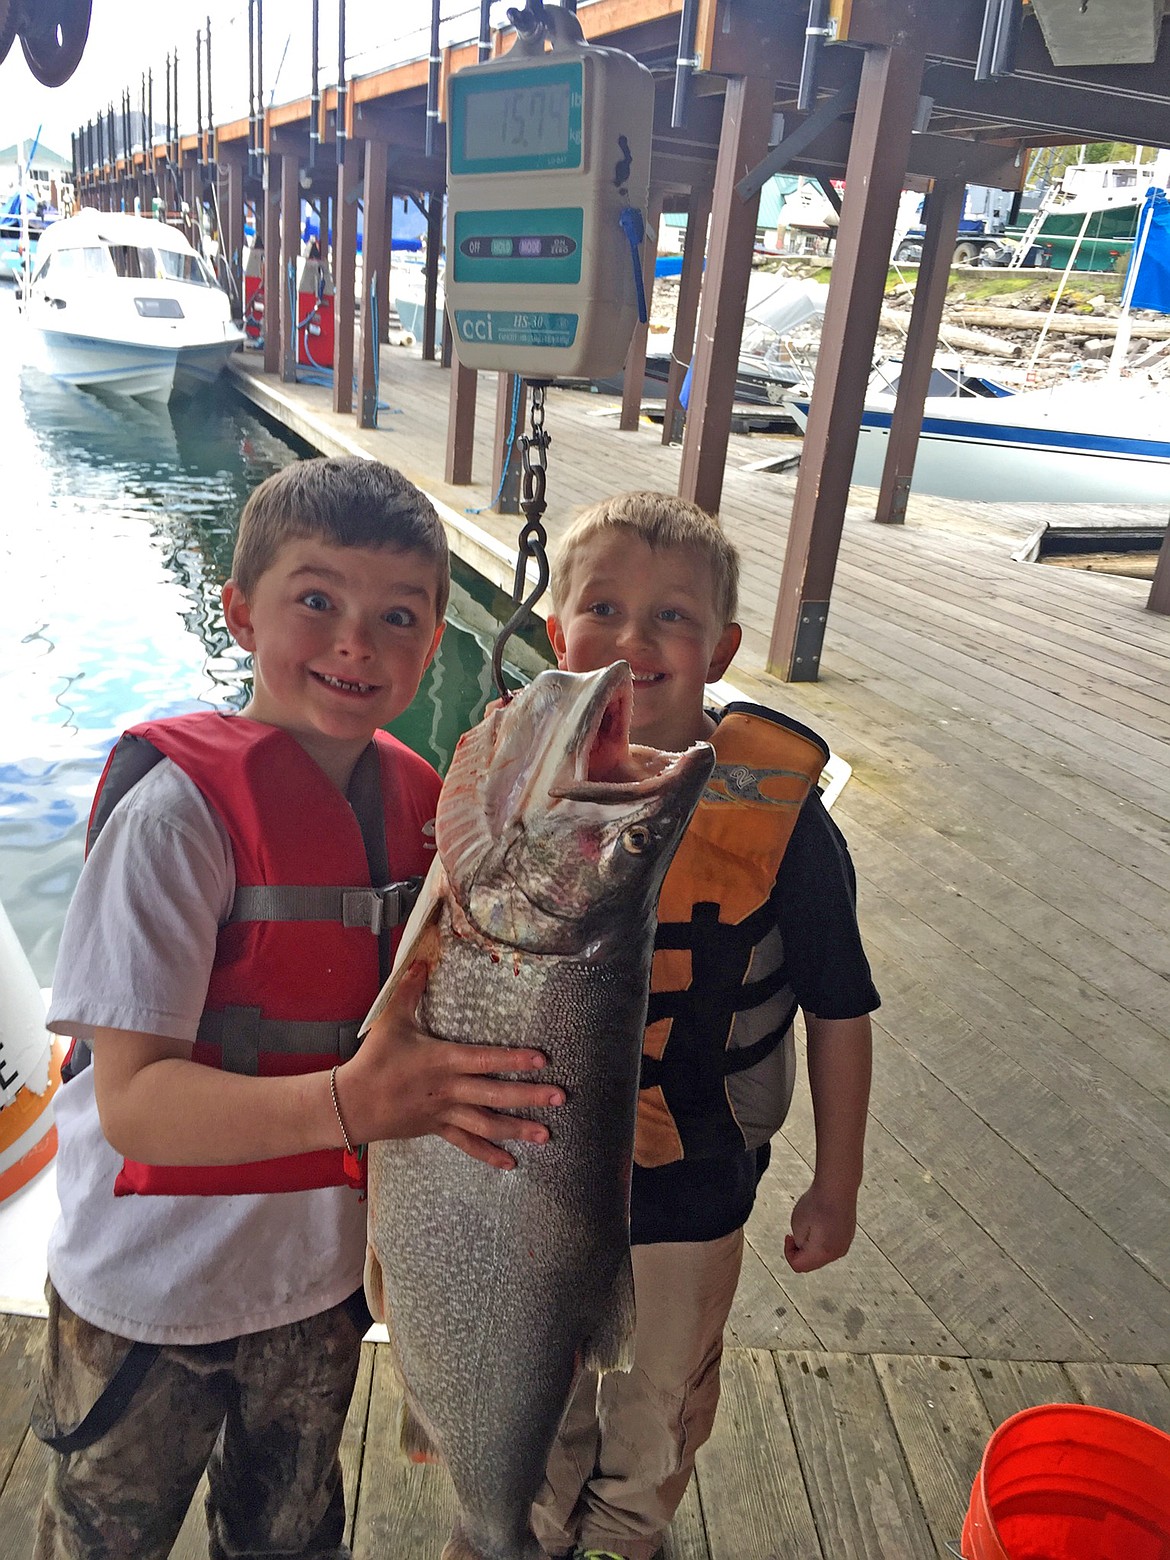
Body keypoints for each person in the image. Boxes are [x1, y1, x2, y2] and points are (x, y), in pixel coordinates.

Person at [32, 456, 565, 1560]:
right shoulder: (175, 820)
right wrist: (357, 1101)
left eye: (397, 616)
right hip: (148, 1290)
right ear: (240, 611)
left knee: (287, 1533)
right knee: (102, 1538)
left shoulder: (430, 812)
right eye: (316, 600)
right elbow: (132, 1107)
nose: (354, 643)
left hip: (316, 1287)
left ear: (434, 644)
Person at [531, 491, 879, 1560]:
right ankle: (522, 1535)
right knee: (537, 1403)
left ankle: (630, 1537)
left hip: (694, 1188)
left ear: (721, 644)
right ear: (557, 631)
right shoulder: (516, 784)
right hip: (536, 1180)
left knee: (658, 1404)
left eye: (672, 617)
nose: (635, 640)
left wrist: (839, 1181)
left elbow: (841, 1006)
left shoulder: (785, 823)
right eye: (604, 609)